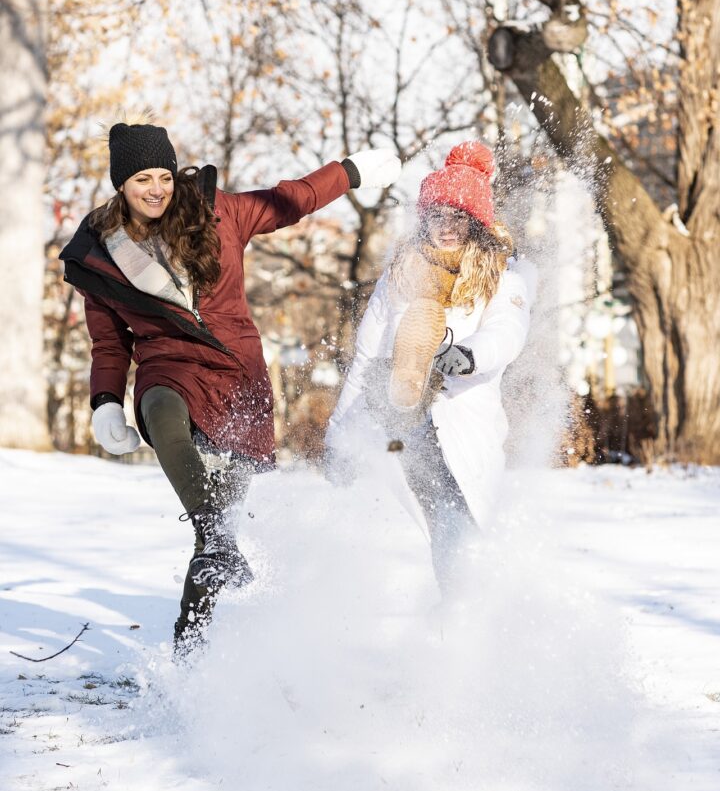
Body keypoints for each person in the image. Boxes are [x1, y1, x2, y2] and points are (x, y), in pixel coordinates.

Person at [60, 121, 401, 654]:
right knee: (162, 412)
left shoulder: (220, 214)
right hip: (167, 365)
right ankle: (213, 536)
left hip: (237, 376)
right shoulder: (100, 257)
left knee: (215, 532)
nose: (156, 189)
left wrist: (352, 172)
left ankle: (190, 646)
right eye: (142, 179)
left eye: (163, 177)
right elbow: (110, 345)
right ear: (121, 185)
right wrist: (106, 401)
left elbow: (293, 199)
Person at [324, 141, 536, 596]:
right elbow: (363, 358)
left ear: (477, 224)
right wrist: (339, 435)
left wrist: (471, 355)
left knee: (455, 526)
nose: (446, 227)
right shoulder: (400, 273)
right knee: (408, 536)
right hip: (402, 427)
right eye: (437, 215)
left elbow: (508, 330)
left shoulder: (503, 278)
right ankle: (407, 380)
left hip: (462, 418)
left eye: (458, 217)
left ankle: (466, 623)